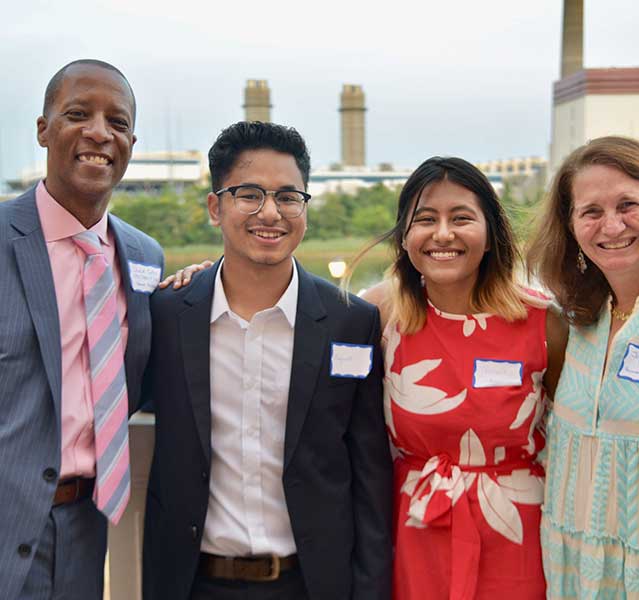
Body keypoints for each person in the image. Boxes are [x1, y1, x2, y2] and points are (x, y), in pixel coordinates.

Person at [141, 121, 393, 600]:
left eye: (288, 196)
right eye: (249, 194)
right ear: (215, 207)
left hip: (312, 583)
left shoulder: (351, 322)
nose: (270, 212)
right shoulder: (168, 314)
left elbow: (369, 476)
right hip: (192, 582)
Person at [357, 156, 568, 599]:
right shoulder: (378, 315)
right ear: (404, 236)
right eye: (425, 219)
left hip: (519, 533)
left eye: (461, 218)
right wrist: (206, 278)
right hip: (415, 531)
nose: (443, 234)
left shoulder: (544, 323)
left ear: (490, 233)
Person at [0, 60, 163, 600]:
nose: (99, 132)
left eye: (116, 122)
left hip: (83, 531)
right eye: (77, 114)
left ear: (131, 143)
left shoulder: (144, 257)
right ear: (43, 129)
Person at [526, 135, 639, 599]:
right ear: (571, 223)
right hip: (571, 577)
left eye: (628, 204)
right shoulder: (577, 320)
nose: (612, 225)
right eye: (591, 211)